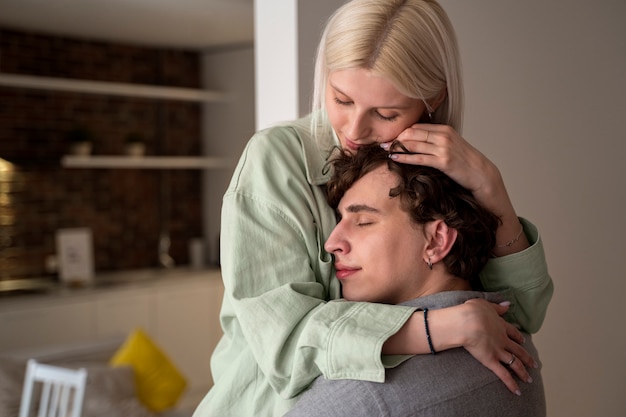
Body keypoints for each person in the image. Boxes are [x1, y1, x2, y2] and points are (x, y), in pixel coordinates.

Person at [193, 0, 553, 416]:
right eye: (341, 99)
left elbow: (518, 315)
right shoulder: (275, 161)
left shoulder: (437, 167)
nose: (354, 130)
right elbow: (286, 345)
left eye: (385, 112)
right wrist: (437, 327)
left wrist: (491, 185)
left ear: (432, 98)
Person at [285, 143, 546, 416]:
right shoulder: (517, 343)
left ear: (436, 240)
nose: (332, 243)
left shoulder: (360, 397)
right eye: (340, 220)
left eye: (363, 221)